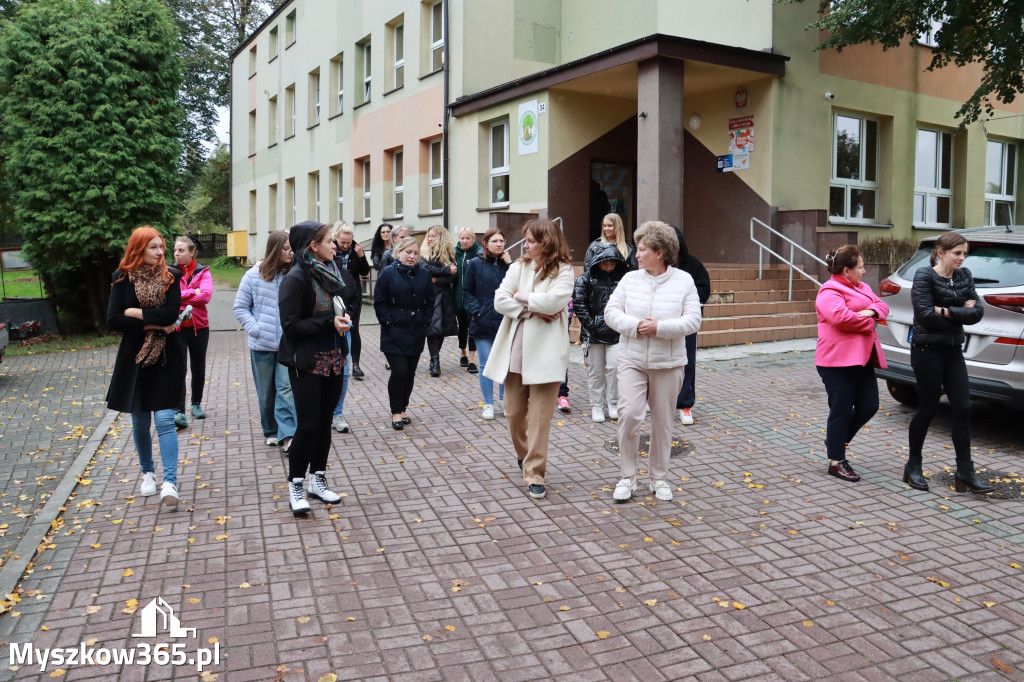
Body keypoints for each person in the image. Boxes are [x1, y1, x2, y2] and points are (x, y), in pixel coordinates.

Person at [605, 221, 701, 503]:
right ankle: (628, 476)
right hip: (632, 359)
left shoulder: (684, 281)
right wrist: (636, 325)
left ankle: (658, 477)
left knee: (662, 422)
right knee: (630, 414)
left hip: (668, 363)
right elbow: (611, 312)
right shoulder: (630, 279)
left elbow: (693, 320)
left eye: (643, 249)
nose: (637, 254)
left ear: (660, 252)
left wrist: (659, 327)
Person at [484, 219, 574, 500]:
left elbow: (555, 302)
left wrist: (522, 296)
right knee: (511, 411)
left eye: (531, 241)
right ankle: (525, 455)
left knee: (539, 418)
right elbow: (499, 300)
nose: (526, 245)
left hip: (546, 353)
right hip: (516, 349)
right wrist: (531, 309)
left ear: (546, 242)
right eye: (526, 240)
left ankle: (535, 472)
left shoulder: (564, 270)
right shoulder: (518, 266)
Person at [106, 226, 185, 507]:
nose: (160, 252)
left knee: (164, 419)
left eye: (161, 246)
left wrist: (136, 314)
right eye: (153, 247)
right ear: (139, 249)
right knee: (140, 420)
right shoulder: (121, 278)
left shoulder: (171, 276)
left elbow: (172, 313)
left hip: (166, 357)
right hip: (135, 358)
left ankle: (170, 482)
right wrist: (153, 324)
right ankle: (148, 472)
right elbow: (113, 319)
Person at [907, 231, 991, 494]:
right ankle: (913, 466)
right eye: (957, 253)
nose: (962, 258)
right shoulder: (924, 276)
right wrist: (960, 311)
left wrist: (943, 309)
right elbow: (925, 315)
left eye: (964, 253)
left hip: (954, 351)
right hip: (927, 351)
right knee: (928, 409)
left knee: (963, 408)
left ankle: (965, 472)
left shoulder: (964, 276)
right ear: (941, 252)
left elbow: (976, 313)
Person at [278, 222, 352, 516]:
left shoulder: (331, 272)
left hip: (333, 358)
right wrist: (327, 323)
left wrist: (344, 317)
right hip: (307, 362)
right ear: (313, 245)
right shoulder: (296, 278)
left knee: (324, 424)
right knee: (308, 426)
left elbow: (345, 302)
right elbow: (290, 325)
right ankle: (295, 485)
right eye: (330, 241)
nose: (334, 246)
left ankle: (317, 480)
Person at [814, 245, 889, 483]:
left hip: (862, 358)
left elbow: (883, 307)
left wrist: (870, 313)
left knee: (869, 406)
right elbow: (841, 318)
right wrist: (870, 318)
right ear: (846, 270)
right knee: (841, 410)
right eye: (861, 267)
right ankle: (836, 462)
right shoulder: (829, 291)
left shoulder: (863, 287)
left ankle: (835, 440)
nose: (865, 271)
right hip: (836, 362)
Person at [233, 231, 298, 453]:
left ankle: (288, 434)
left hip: (286, 345)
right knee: (266, 392)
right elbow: (240, 307)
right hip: (261, 345)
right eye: (287, 248)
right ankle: (270, 431)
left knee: (285, 388)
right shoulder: (253, 276)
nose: (291, 252)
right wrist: (256, 329)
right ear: (275, 249)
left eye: (292, 248)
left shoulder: (293, 275)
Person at [374, 236, 434, 430]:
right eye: (408, 252)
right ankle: (395, 411)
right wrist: (388, 321)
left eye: (415, 253)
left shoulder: (423, 274)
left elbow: (430, 300)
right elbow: (380, 300)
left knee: (410, 373)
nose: (412, 256)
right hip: (394, 331)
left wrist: (426, 319)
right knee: (399, 372)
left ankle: (404, 408)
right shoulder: (387, 273)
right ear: (398, 252)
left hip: (416, 331)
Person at [573, 242, 629, 423]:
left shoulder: (624, 279)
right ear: (597, 261)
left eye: (613, 263)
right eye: (606, 263)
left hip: (616, 332)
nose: (609, 266)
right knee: (596, 371)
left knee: (614, 368)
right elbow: (579, 304)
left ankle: (613, 402)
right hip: (592, 333)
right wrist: (591, 325)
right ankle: (597, 405)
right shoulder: (585, 279)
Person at [463, 228, 511, 419]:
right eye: (494, 241)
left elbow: (521, 286)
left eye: (501, 241)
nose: (499, 244)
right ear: (486, 244)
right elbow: (467, 291)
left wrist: (510, 264)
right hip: (482, 321)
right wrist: (478, 310)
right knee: (486, 363)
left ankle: (503, 400)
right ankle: (488, 404)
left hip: (505, 321)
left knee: (505, 364)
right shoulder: (475, 264)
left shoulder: (509, 265)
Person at [171, 235, 212, 430]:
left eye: (181, 250)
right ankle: (178, 410)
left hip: (199, 327)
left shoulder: (203, 271)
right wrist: (192, 293)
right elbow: (168, 298)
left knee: (198, 366)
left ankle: (196, 404)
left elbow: (205, 296)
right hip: (177, 327)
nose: (176, 254)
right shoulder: (169, 272)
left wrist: (181, 297)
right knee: (178, 368)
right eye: (175, 250)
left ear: (192, 252)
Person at [671, 226, 710, 425]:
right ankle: (657, 400)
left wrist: (688, 302)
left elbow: (704, 289)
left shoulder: (693, 264)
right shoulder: (656, 264)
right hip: (662, 322)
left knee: (688, 362)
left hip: (686, 323)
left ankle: (684, 404)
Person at [329, 225, 363, 434]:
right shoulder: (309, 274)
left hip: (344, 330)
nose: (335, 250)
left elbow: (355, 297)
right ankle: (322, 411)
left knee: (343, 372)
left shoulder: (343, 272)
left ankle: (337, 413)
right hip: (321, 331)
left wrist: (348, 314)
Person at [333, 221, 370, 380]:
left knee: (353, 327)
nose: (345, 245)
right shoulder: (331, 249)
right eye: (342, 242)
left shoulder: (356, 250)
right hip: (335, 293)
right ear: (336, 238)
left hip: (353, 294)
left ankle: (355, 365)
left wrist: (361, 256)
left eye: (348, 242)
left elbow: (365, 271)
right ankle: (337, 362)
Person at [421, 225, 459, 377]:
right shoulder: (424, 252)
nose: (430, 238)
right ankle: (434, 360)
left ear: (441, 238)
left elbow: (453, 275)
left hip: (445, 295)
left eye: (433, 236)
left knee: (441, 328)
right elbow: (424, 268)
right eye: (429, 235)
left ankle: (435, 358)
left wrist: (436, 279)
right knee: (432, 329)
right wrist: (446, 270)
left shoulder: (450, 254)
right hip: (429, 296)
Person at [454, 227, 483, 373]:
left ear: (473, 239)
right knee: (462, 327)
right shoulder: (454, 253)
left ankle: (472, 359)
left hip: (473, 297)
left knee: (473, 327)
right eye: (462, 238)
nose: (464, 241)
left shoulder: (479, 253)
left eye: (468, 238)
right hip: (458, 295)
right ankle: (463, 353)